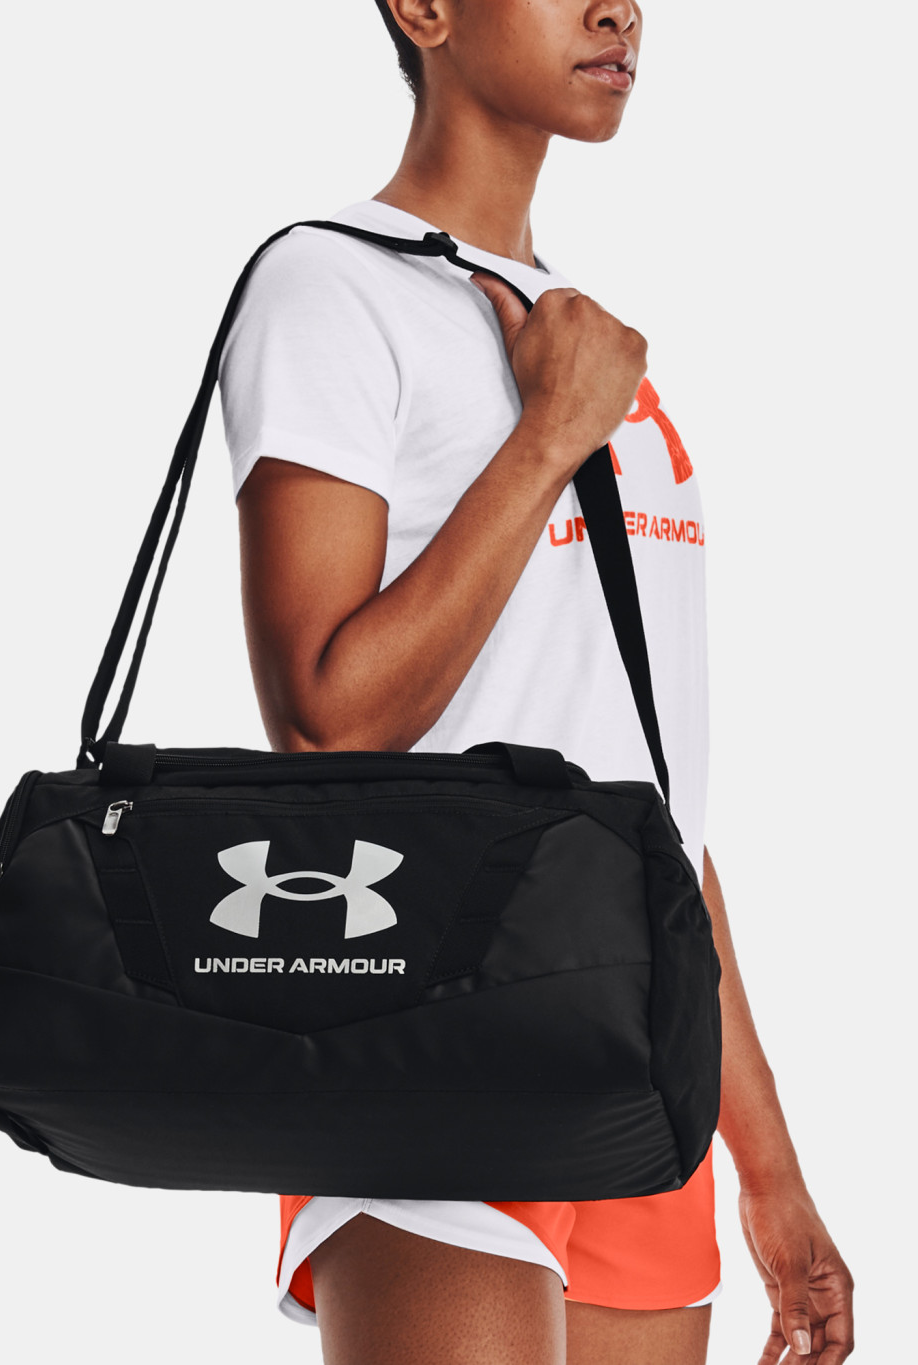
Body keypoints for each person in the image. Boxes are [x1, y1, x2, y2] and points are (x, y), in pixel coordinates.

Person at [217, 2, 855, 1362]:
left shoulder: (582, 335)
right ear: (425, 9)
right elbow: (323, 722)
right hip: (428, 1018)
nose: (620, 9)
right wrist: (553, 432)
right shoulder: (330, 286)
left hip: (636, 1050)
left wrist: (767, 1164)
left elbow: (651, 805)